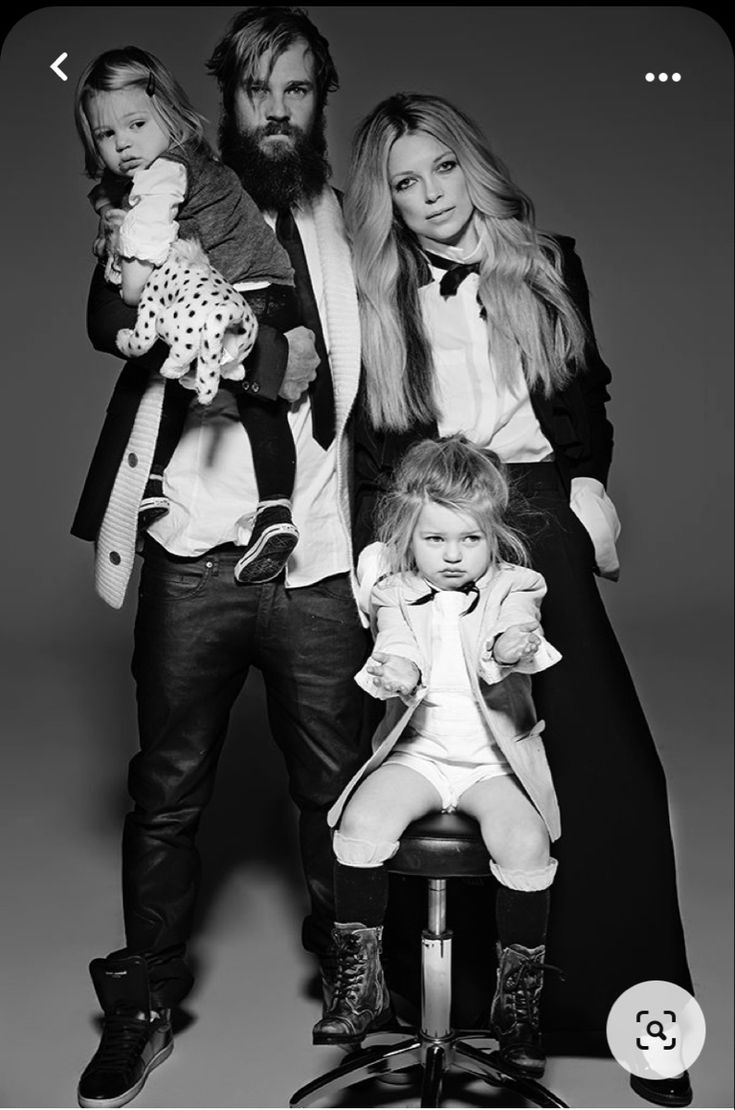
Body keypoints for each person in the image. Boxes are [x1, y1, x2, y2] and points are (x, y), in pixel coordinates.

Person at [346, 92, 694, 1108]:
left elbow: (585, 389)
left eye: (440, 169)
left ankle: (640, 1014)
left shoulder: (546, 258)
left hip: (532, 505)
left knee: (599, 755)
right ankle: (471, 1017)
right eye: (404, 186)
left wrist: (587, 478)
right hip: (429, 515)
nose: (428, 197)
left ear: (472, 162)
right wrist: (384, 558)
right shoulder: (379, 293)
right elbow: (375, 444)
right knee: (438, 749)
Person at [72, 8, 368, 1109]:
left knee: (338, 787)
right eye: (259, 93)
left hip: (324, 554)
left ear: (322, 97)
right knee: (167, 791)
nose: (279, 113)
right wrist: (178, 298)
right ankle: (146, 1000)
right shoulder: (164, 202)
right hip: (194, 552)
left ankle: (359, 971)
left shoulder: (352, 224)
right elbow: (111, 320)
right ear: (223, 103)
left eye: (298, 91)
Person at [313, 435, 563, 1078]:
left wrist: (512, 645)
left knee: (527, 843)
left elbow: (520, 630)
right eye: (435, 540)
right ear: (409, 538)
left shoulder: (517, 583)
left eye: (470, 541)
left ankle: (518, 1006)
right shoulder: (395, 590)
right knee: (359, 826)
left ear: (493, 537)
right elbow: (397, 644)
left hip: (490, 764)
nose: (453, 556)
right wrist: (392, 670)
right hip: (420, 755)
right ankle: (359, 988)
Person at [75, 45, 302, 585]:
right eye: (107, 135)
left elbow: (143, 248)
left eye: (135, 124)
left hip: (253, 292)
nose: (123, 143)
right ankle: (168, 486)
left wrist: (132, 277)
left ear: (170, 116)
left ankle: (268, 508)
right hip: (262, 291)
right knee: (187, 379)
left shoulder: (164, 175)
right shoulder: (188, 168)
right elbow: (102, 322)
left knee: (235, 392)